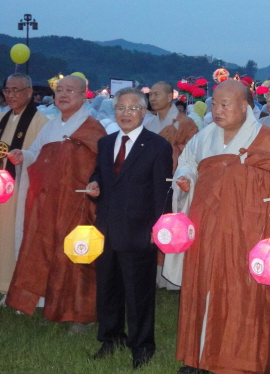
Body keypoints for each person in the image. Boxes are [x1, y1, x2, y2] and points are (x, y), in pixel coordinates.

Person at [170, 80, 270, 374]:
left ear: (244, 107)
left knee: (238, 292)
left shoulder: (263, 139)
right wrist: (187, 178)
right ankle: (197, 356)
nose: (217, 110)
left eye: (225, 105)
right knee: (202, 286)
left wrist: (238, 174)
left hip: (244, 231)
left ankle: (233, 360)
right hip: (207, 227)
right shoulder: (204, 136)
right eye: (214, 104)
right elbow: (187, 163)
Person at [5, 75, 107, 325]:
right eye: (59, 89)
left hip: (78, 204)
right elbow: (37, 153)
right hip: (50, 203)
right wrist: (23, 155)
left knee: (78, 256)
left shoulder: (93, 128)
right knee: (51, 253)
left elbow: (102, 169)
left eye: (70, 90)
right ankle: (53, 308)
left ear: (85, 95)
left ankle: (81, 315)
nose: (63, 94)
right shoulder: (50, 126)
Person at [86, 87, 172, 369]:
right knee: (108, 288)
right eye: (121, 108)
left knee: (138, 293)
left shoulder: (158, 146)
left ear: (144, 113)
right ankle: (110, 338)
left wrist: (158, 228)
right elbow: (100, 175)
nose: (126, 113)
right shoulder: (105, 143)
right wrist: (95, 185)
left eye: (133, 108)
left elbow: (162, 193)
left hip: (139, 230)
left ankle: (142, 346)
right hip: (107, 228)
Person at [0, 73, 48, 309]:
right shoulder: (0, 118)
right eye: (7, 90)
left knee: (19, 241)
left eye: (16, 90)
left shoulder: (40, 122)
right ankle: (7, 290)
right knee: (3, 241)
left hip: (22, 193)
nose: (11, 95)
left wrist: (23, 158)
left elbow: (43, 158)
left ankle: (26, 293)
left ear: (28, 92)